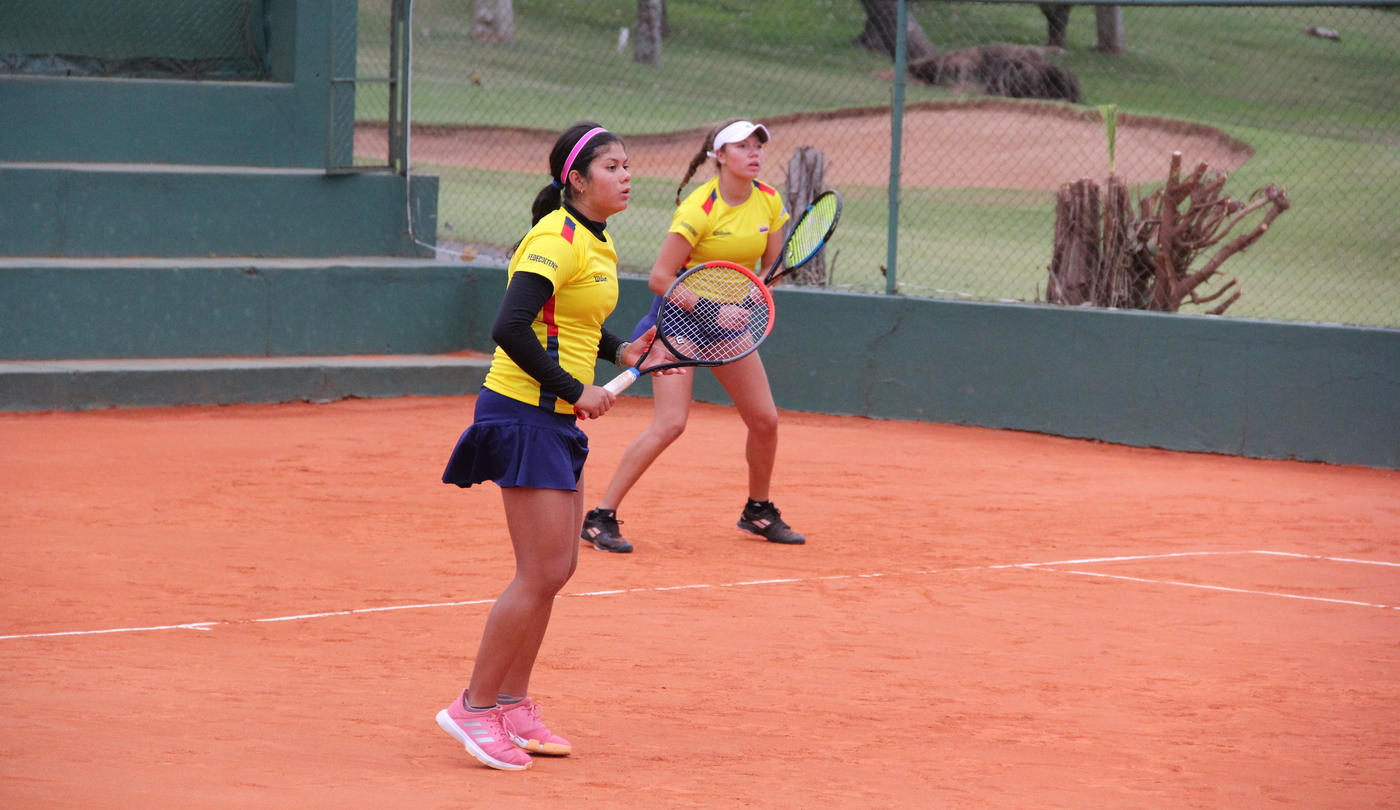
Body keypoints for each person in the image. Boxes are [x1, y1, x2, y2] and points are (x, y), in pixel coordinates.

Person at [434, 122, 679, 770]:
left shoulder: (597, 241)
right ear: (576, 179)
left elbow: (569, 321)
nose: (626, 175)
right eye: (613, 166)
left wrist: (619, 350)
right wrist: (578, 389)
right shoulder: (557, 237)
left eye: (629, 165)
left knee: (559, 569)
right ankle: (474, 706)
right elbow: (510, 325)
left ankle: (512, 701)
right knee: (539, 571)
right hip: (523, 411)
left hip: (553, 416)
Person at [580, 119, 806, 554]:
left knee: (765, 421)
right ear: (719, 156)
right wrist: (713, 309)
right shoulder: (699, 209)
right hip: (678, 324)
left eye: (758, 145)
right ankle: (600, 518)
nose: (754, 152)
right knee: (670, 424)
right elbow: (661, 278)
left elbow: (773, 268)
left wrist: (752, 301)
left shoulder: (769, 201)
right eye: (742, 146)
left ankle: (758, 510)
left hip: (730, 326)